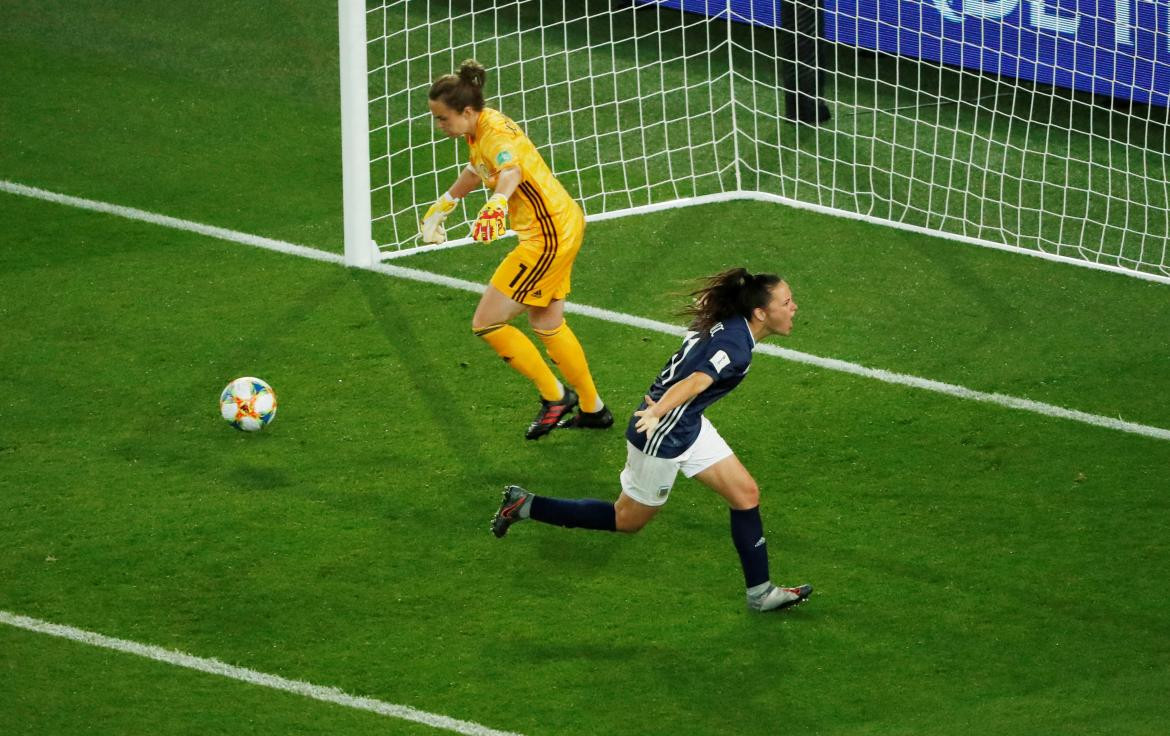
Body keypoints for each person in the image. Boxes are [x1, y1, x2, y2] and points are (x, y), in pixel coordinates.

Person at [491, 268, 813, 612]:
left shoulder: (734, 322)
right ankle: (525, 505)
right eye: (787, 302)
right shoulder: (736, 347)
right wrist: (658, 412)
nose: (794, 307)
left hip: (686, 422)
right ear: (761, 313)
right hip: (662, 431)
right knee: (627, 519)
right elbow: (697, 382)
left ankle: (760, 593)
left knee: (745, 493)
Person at [420, 59, 611, 440]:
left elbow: (510, 171)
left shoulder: (495, 137)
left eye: (442, 119)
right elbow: (478, 170)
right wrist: (445, 204)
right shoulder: (483, 126)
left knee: (487, 322)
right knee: (547, 323)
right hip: (563, 220)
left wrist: (498, 203)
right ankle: (593, 409)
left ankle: (555, 398)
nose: (439, 126)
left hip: (547, 236)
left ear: (467, 111)